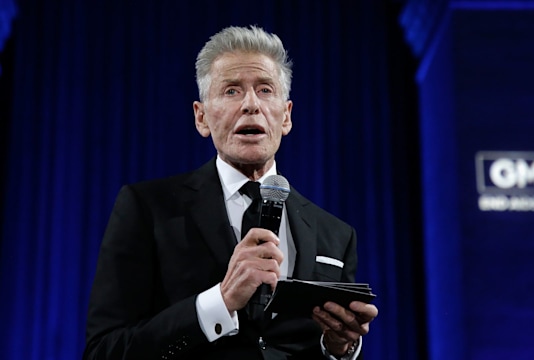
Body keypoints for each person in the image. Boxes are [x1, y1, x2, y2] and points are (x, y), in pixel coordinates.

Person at [83, 25, 378, 360]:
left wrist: (339, 349)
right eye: (231, 91)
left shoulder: (335, 235)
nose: (251, 104)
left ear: (286, 117)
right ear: (202, 117)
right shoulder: (148, 209)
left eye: (265, 90)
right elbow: (103, 352)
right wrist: (219, 302)